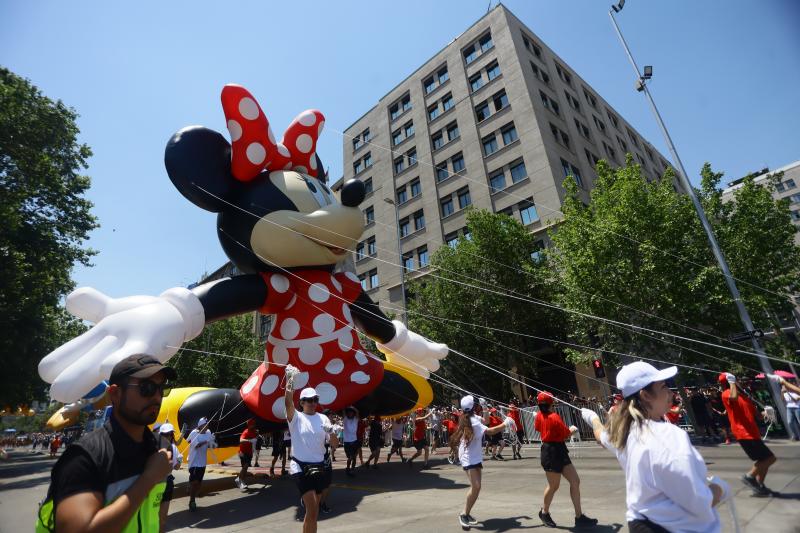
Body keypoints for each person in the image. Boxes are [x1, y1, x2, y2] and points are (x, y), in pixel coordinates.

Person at [581, 361, 730, 532]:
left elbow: (601, 435)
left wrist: (592, 418)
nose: (670, 393)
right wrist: (720, 488)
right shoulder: (668, 436)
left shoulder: (622, 434)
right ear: (645, 395)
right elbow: (698, 502)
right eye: (664, 387)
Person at [36, 354, 176, 533]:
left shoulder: (160, 448)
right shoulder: (85, 457)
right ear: (115, 394)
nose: (157, 396)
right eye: (146, 388)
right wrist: (148, 479)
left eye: (161, 388)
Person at [284, 365, 339, 533]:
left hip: (319, 468)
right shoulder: (296, 417)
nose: (313, 403)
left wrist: (332, 433)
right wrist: (290, 380)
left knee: (312, 512)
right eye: (309, 400)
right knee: (313, 509)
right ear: (301, 403)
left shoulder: (323, 418)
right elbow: (288, 403)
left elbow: (334, 445)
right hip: (300, 467)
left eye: (315, 399)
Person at [534, 391, 597, 529]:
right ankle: (544, 512)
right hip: (552, 452)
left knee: (575, 481)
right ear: (551, 403)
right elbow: (565, 434)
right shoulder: (554, 416)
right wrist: (572, 429)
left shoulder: (539, 416)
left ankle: (579, 517)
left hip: (557, 450)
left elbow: (537, 428)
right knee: (553, 486)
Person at [451, 395, 512, 530]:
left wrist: (485, 408)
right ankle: (463, 514)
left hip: (474, 455)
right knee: (476, 486)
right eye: (477, 404)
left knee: (477, 487)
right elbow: (491, 430)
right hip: (468, 457)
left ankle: (467, 513)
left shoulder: (469, 418)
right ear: (473, 407)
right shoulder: (472, 421)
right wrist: (506, 423)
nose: (478, 405)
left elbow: (486, 421)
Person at [719, 372, 777, 496]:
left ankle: (760, 486)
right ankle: (749, 477)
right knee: (769, 458)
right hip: (743, 433)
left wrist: (766, 412)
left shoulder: (745, 397)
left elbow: (757, 416)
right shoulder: (726, 393)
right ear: (728, 382)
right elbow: (733, 397)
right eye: (737, 379)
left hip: (752, 432)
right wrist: (732, 382)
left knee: (763, 460)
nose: (741, 381)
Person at [157, 423, 183, 533]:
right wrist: (179, 460)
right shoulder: (173, 447)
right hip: (165, 481)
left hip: (154, 482)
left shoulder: (152, 445)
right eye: (169, 434)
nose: (169, 436)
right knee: (162, 518)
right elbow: (177, 467)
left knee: (153, 513)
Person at [186, 416, 216, 511]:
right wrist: (207, 440)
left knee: (199, 483)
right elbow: (197, 445)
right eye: (206, 424)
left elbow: (211, 445)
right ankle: (192, 501)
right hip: (194, 461)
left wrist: (213, 442)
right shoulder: (194, 433)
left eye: (207, 424)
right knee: (195, 483)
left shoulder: (208, 432)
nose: (207, 426)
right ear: (201, 425)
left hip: (202, 462)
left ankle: (191, 488)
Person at [236, 419, 258, 490]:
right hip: (242, 452)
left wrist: (255, 451)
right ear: (249, 425)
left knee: (245, 467)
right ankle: (241, 481)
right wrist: (249, 440)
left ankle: (240, 479)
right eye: (251, 424)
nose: (253, 426)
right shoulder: (246, 432)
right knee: (245, 466)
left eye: (253, 424)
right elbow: (241, 440)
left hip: (249, 452)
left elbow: (254, 441)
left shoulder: (254, 432)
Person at [342, 406, 360, 477]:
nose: (350, 414)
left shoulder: (355, 419)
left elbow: (358, 412)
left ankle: (352, 470)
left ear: (353, 414)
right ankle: (348, 468)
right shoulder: (345, 419)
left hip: (354, 441)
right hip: (347, 442)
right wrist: (345, 405)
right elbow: (343, 411)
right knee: (350, 457)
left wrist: (352, 407)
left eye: (352, 413)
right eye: (349, 413)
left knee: (354, 457)